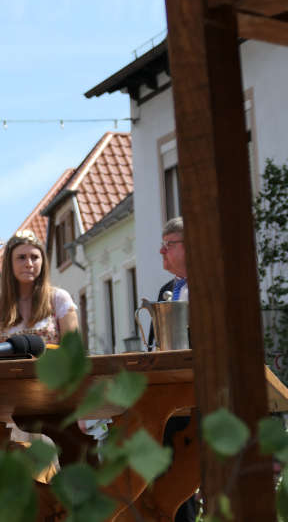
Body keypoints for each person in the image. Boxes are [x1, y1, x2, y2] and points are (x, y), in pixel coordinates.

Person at [151, 216, 197, 522]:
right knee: (170, 480)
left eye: (169, 245)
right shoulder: (167, 289)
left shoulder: (212, 284)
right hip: (170, 397)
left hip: (202, 394)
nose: (161, 251)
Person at [0, 229, 78, 345]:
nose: (29, 264)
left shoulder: (58, 299)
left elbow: (72, 351)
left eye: (35, 257)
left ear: (43, 261)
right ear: (9, 263)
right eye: (21, 257)